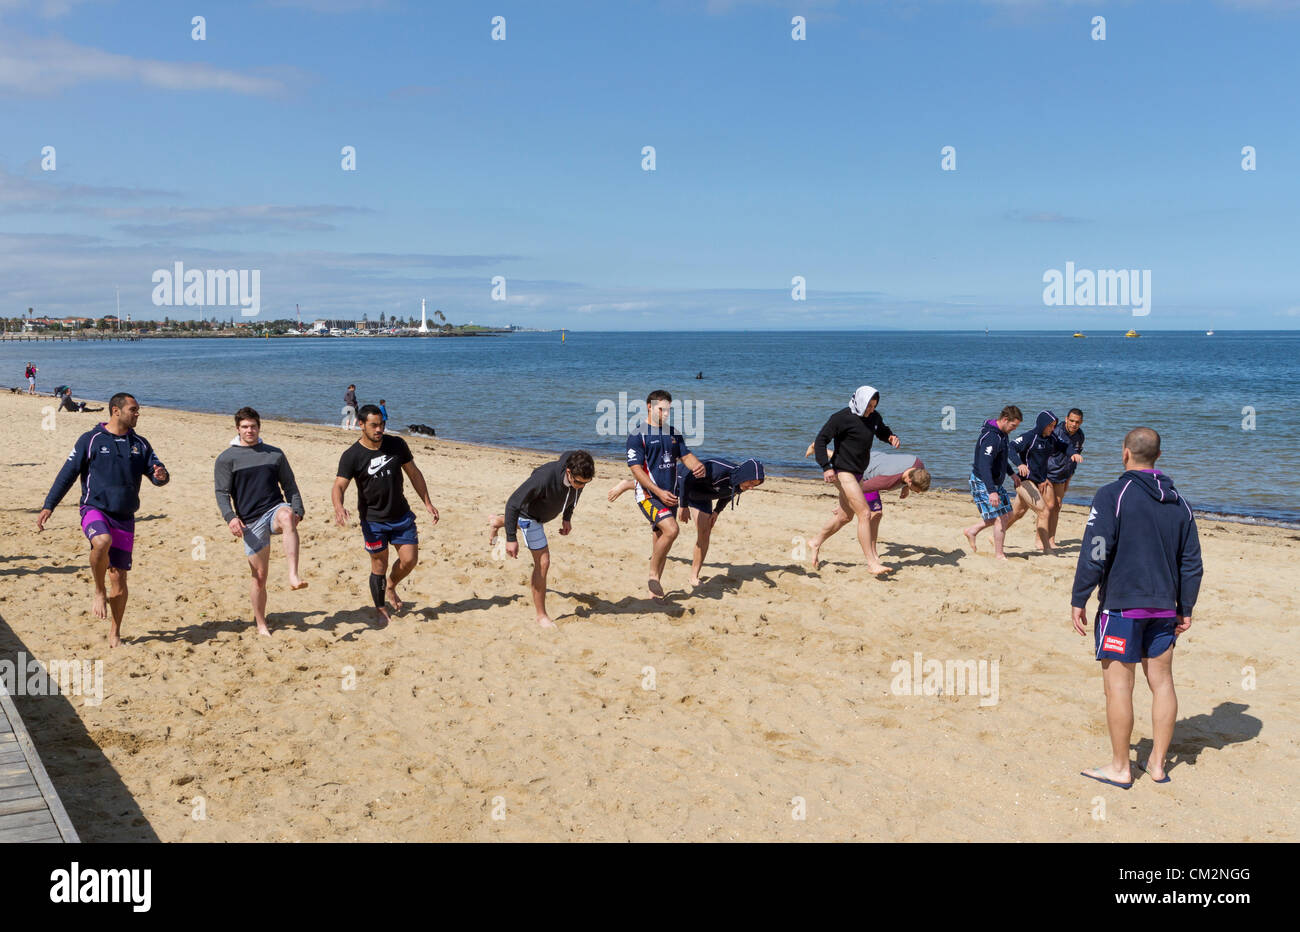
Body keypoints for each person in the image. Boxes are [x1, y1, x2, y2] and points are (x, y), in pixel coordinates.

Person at [1072, 427, 1202, 788]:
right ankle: (1157, 765)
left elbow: (1096, 549)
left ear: (1125, 453)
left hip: (1122, 608)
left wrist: (1079, 597)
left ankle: (1120, 767)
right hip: (1164, 609)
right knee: (1162, 684)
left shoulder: (1113, 494)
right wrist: (1185, 607)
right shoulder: (1180, 503)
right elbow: (1191, 563)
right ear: (1158, 457)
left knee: (1118, 688)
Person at [36, 393, 169, 647]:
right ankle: (98, 590)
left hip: (125, 517)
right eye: (134, 409)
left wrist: (161, 475)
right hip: (94, 508)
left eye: (138, 410)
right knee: (101, 541)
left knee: (119, 580)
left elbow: (157, 473)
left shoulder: (140, 444)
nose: (138, 413)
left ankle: (115, 632)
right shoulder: (91, 439)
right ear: (116, 411)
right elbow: (68, 474)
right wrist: (49, 505)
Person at [332, 404, 439, 625]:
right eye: (374, 425)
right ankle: (381, 607)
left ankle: (391, 584)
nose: (379, 429)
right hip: (373, 521)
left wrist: (427, 502)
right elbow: (339, 486)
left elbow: (414, 473)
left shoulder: (397, 444)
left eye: (381, 424)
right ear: (361, 425)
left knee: (409, 560)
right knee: (378, 565)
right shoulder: (352, 455)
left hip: (401, 515)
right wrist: (339, 506)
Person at [214, 407, 308, 637]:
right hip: (250, 521)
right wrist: (231, 518)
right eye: (245, 427)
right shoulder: (227, 458)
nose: (249, 431)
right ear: (238, 429)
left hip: (273, 510)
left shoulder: (274, 454)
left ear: (259, 427)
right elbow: (221, 493)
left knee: (287, 517)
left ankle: (293, 575)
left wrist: (298, 509)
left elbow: (290, 485)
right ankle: (261, 623)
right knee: (259, 576)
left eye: (253, 426)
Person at [609, 456, 765, 587]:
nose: (751, 488)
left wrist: (717, 511)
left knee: (705, 532)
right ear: (745, 475)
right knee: (655, 496)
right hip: (680, 483)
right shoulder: (718, 469)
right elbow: (685, 475)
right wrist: (683, 506)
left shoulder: (742, 483)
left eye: (755, 486)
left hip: (702, 496)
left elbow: (728, 492)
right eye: (751, 483)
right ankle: (628, 484)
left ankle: (694, 577)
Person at [487, 450, 596, 627]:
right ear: (568, 471)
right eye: (577, 482)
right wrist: (511, 539)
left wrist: (567, 517)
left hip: (543, 512)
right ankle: (541, 616)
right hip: (530, 516)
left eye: (586, 483)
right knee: (543, 562)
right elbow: (513, 503)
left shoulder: (578, 479)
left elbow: (573, 495)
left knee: (518, 523)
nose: (581, 486)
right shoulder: (544, 478)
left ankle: (497, 522)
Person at [811, 386, 901, 574]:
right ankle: (872, 563)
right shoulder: (841, 418)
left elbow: (881, 430)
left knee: (845, 517)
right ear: (860, 401)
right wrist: (826, 467)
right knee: (865, 514)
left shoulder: (874, 417)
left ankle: (815, 542)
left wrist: (890, 437)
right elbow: (820, 441)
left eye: (874, 406)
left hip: (859, 472)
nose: (871, 410)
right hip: (842, 471)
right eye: (868, 406)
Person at [626, 389, 706, 600]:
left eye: (668, 410)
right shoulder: (638, 435)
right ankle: (653, 574)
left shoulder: (673, 433)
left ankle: (655, 592)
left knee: (661, 539)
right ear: (650, 407)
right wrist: (658, 491)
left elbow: (685, 455)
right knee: (672, 530)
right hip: (648, 495)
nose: (665, 414)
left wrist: (697, 465)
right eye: (662, 410)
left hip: (669, 495)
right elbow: (636, 470)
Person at [805, 448, 930, 571]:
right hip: (860, 477)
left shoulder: (918, 465)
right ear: (909, 480)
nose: (916, 493)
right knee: (855, 515)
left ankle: (820, 448)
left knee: (854, 516)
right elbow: (858, 489)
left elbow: (907, 472)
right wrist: (844, 503)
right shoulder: (887, 481)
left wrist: (906, 488)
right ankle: (871, 556)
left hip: (872, 458)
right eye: (914, 489)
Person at [962, 406, 1022, 560]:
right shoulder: (991, 438)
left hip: (994, 482)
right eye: (1013, 425)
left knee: (1007, 513)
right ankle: (999, 555)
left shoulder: (1003, 434)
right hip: (983, 480)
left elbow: (1000, 460)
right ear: (1004, 420)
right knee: (1000, 518)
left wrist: (1012, 474)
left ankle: (972, 531)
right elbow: (984, 465)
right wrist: (992, 491)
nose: (1014, 429)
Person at [1004, 410, 1063, 552]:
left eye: (1054, 426)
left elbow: (1064, 446)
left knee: (1018, 513)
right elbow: (1009, 447)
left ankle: (995, 535)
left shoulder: (1051, 438)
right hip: (1024, 481)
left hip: (1040, 480)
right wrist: (1019, 464)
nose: (1053, 429)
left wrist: (1073, 453)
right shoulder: (1029, 437)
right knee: (1043, 511)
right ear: (1043, 424)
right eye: (1050, 426)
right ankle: (1046, 548)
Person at [1046, 408, 1085, 547]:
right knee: (1049, 507)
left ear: (1081, 422)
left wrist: (1069, 478)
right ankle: (1041, 539)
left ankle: (1051, 540)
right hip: (1048, 474)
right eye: (1072, 421)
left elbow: (1074, 459)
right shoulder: (1056, 431)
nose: (1074, 424)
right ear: (1066, 419)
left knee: (1057, 506)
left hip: (1063, 476)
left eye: (1078, 422)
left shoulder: (1080, 435)